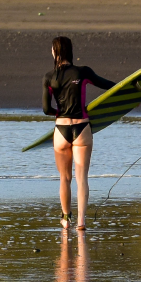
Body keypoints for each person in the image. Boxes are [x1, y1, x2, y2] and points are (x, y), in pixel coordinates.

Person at [43, 36, 116, 230]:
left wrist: (57, 113)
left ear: (54, 52)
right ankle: (81, 221)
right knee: (81, 178)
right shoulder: (83, 72)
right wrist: (131, 86)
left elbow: (45, 108)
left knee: (64, 178)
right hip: (82, 128)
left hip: (60, 130)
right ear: (70, 51)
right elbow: (108, 85)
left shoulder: (49, 77)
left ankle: (66, 219)